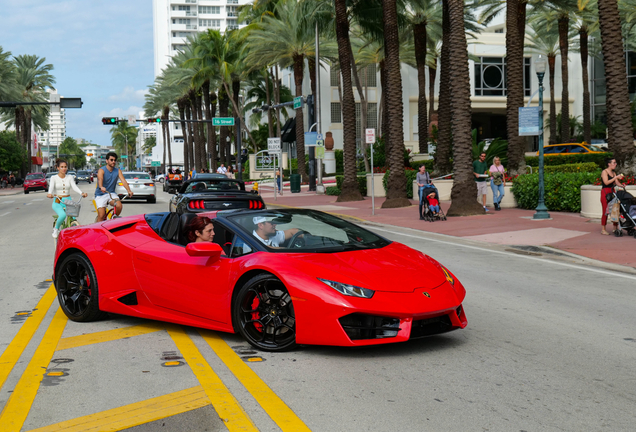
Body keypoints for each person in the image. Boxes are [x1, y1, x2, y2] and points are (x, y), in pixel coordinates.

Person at [47, 159, 88, 238]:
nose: (64, 168)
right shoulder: (54, 178)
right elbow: (51, 187)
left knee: (73, 216)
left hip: (68, 200)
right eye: (62, 167)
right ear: (58, 168)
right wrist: (49, 193)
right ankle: (56, 229)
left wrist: (81, 193)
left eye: (65, 167)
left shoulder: (70, 177)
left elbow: (74, 186)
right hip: (57, 201)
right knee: (62, 215)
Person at [95, 152, 133, 222]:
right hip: (101, 194)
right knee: (101, 215)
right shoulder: (101, 170)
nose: (113, 162)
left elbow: (123, 181)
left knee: (119, 206)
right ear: (107, 161)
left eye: (114, 160)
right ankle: (97, 230)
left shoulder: (118, 171)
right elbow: (100, 179)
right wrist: (101, 187)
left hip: (111, 193)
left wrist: (129, 191)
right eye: (111, 160)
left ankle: (112, 221)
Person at [600, 157, 625, 235]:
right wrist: (615, 177)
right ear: (609, 164)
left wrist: (622, 185)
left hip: (612, 191)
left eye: (615, 162)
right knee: (605, 211)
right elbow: (606, 182)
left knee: (615, 209)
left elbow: (616, 183)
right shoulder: (604, 172)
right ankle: (603, 229)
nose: (615, 164)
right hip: (605, 192)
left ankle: (615, 227)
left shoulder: (613, 173)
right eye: (614, 163)